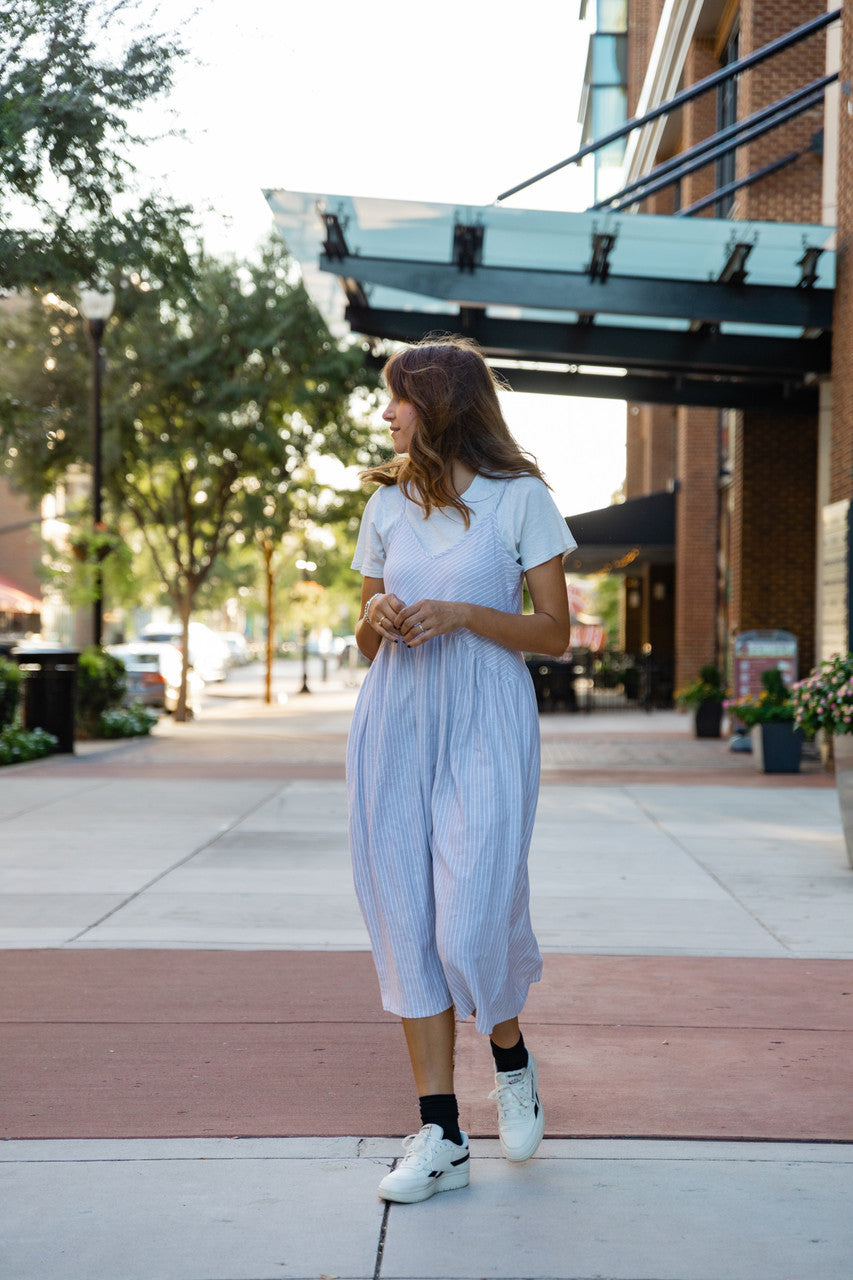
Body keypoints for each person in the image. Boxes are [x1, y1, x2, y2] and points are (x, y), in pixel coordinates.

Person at [346, 336, 576, 1204]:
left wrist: (465, 614)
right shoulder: (385, 505)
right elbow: (362, 637)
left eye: (395, 398)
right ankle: (440, 1131)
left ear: (437, 403)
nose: (385, 413)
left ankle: (509, 1057)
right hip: (396, 717)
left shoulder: (522, 501)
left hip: (484, 715)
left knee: (471, 917)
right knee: (405, 911)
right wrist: (377, 610)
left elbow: (553, 632)